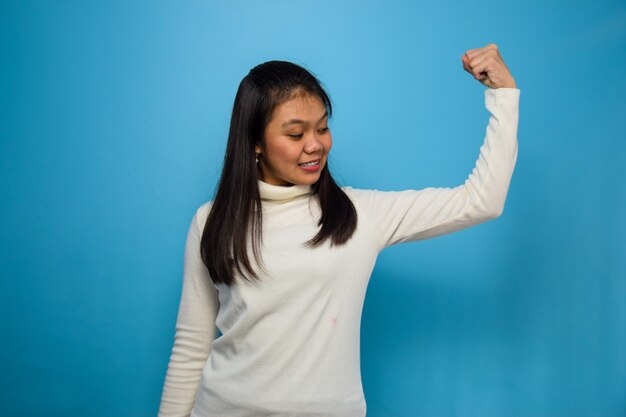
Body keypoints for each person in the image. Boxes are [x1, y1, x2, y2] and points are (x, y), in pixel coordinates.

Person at [158, 44, 520, 417]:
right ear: (255, 142)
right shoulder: (211, 220)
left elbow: (482, 200)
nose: (315, 144)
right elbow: (191, 347)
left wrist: (503, 95)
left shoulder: (360, 214)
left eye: (323, 127)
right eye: (296, 134)